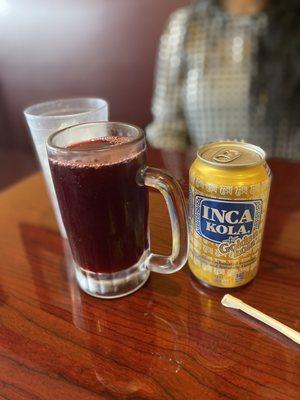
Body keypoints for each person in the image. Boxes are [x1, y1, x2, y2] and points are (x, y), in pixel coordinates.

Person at [146, 0, 300, 159]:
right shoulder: (186, 25)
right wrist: (180, 179)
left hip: (288, 179)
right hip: (207, 178)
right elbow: (166, 129)